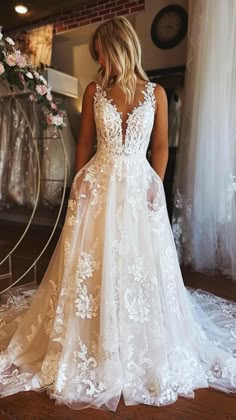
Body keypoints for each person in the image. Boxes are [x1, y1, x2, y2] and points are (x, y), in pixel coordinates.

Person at [0, 16, 236, 413]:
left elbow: (160, 146)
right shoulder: (95, 90)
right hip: (99, 184)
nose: (99, 60)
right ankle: (92, 332)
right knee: (95, 262)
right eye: (96, 55)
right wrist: (79, 183)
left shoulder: (156, 93)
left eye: (101, 52)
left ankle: (137, 334)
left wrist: (154, 184)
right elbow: (86, 143)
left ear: (119, 47)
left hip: (139, 185)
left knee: (139, 263)